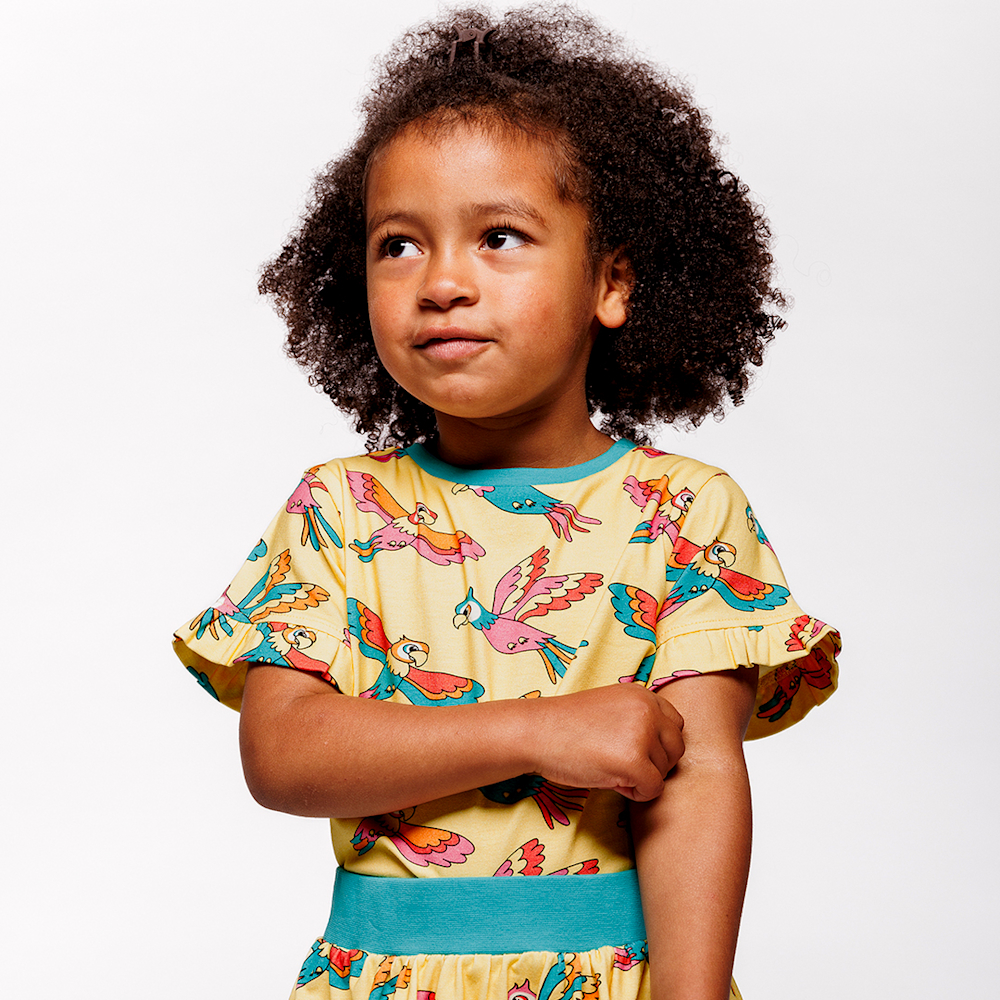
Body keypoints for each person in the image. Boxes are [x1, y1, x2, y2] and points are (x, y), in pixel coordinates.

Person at [173, 8, 840, 999]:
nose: (442, 282)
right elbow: (281, 753)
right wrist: (537, 729)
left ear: (610, 282)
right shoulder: (337, 510)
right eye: (399, 245)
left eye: (498, 236)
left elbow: (699, 779)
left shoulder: (685, 515)